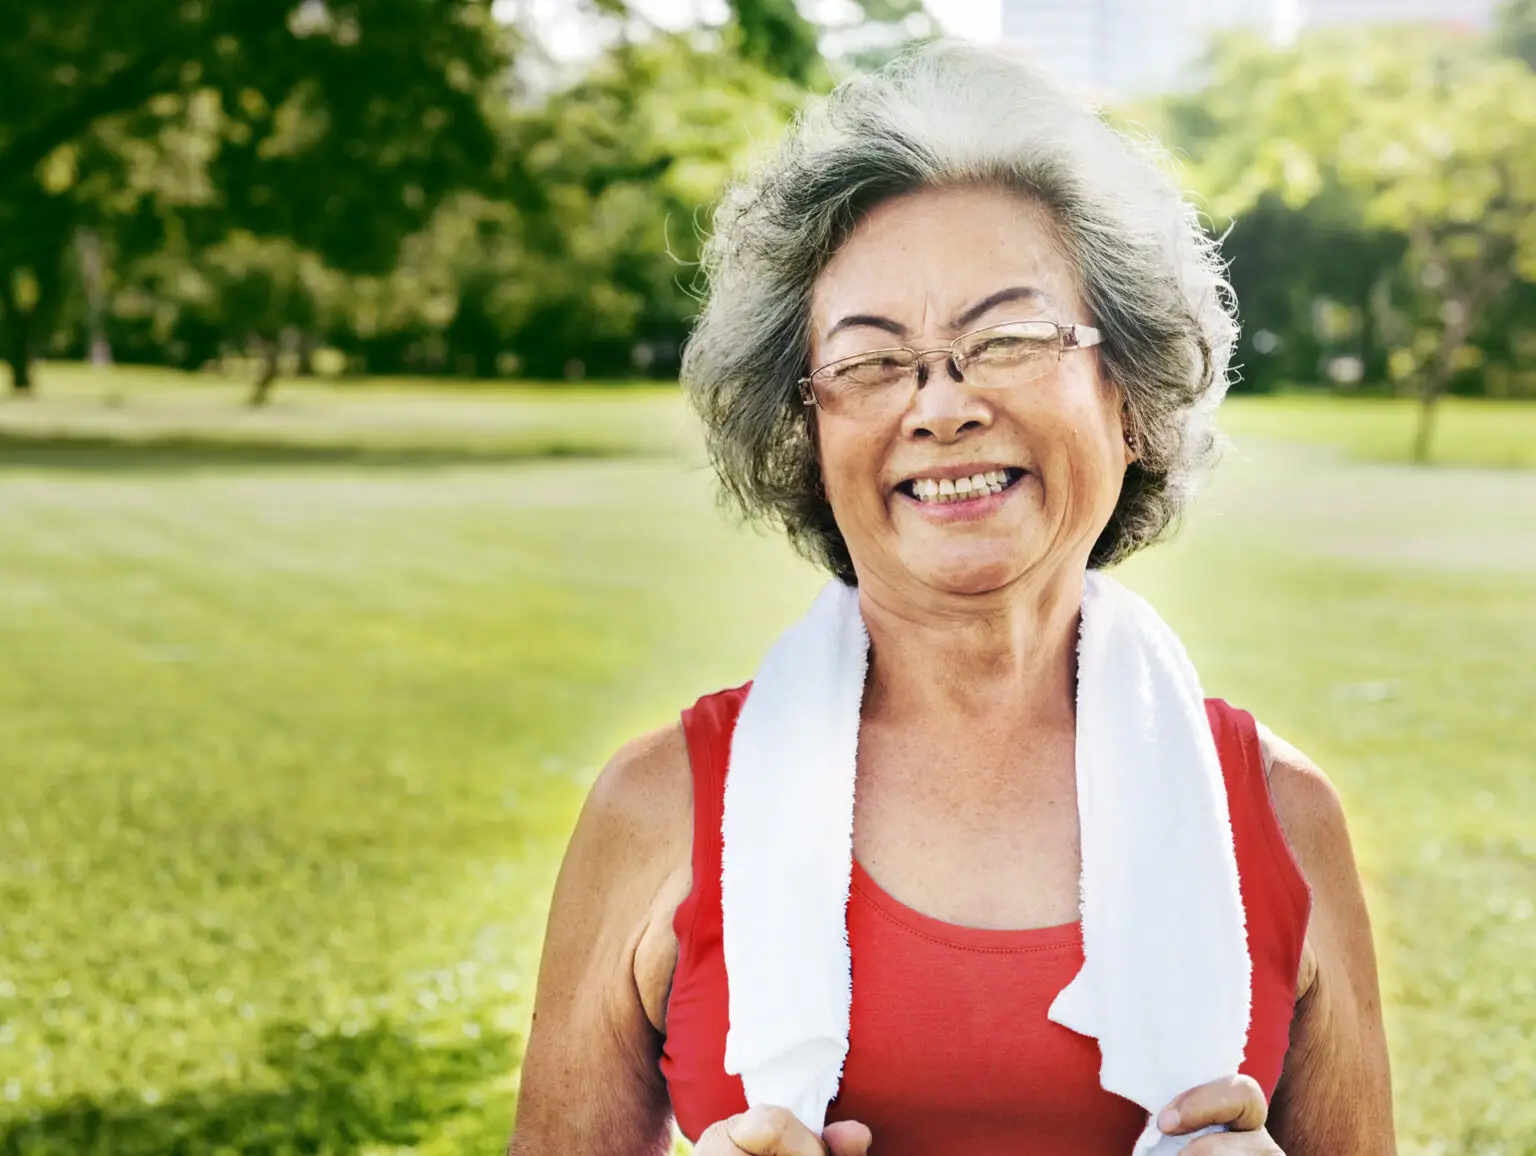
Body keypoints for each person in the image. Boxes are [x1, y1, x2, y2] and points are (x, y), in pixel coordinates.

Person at [506, 41, 1394, 1156]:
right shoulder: (659, 807)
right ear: (808, 425)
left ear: (1128, 391)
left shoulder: (1277, 815)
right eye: (872, 362)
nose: (940, 406)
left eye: (1008, 339)